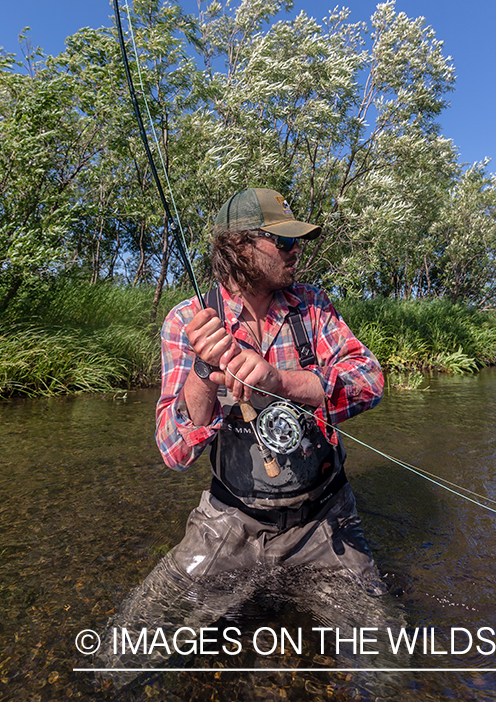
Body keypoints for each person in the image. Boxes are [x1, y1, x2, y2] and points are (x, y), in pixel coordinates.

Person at [98, 188, 386, 676]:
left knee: (384, 659)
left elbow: (370, 381)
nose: (297, 251)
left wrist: (280, 381)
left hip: (326, 521)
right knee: (119, 656)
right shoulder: (186, 321)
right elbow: (174, 450)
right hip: (229, 522)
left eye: (297, 242)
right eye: (284, 242)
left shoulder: (312, 307)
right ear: (239, 246)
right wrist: (202, 373)